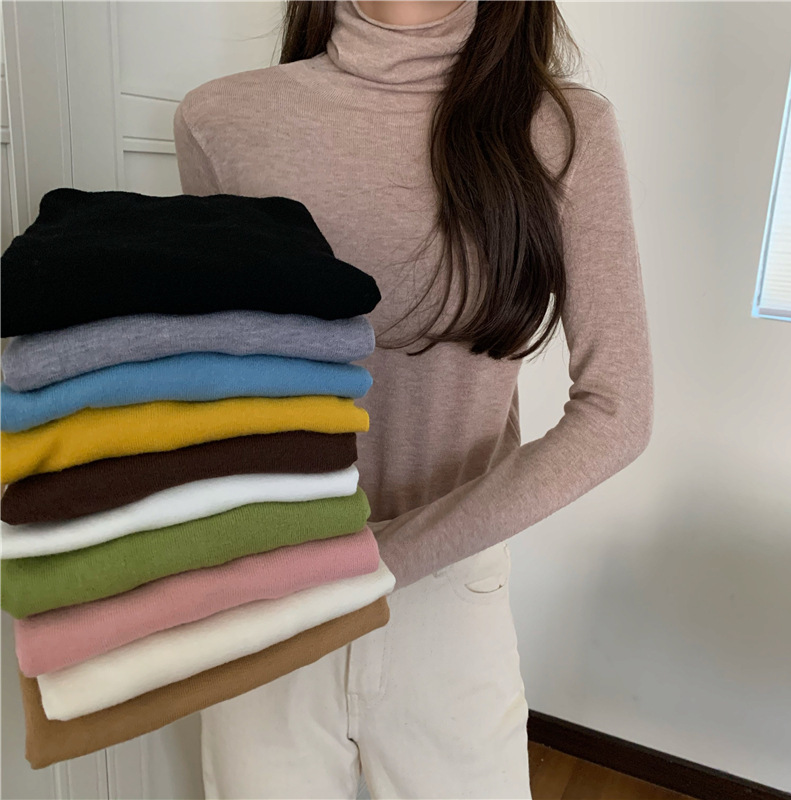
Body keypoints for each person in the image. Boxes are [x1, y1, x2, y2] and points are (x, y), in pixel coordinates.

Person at [173, 1, 654, 797]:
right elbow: (220, 371)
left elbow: (617, 411)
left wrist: (379, 558)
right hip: (264, 593)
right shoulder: (219, 119)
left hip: (447, 600)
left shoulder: (562, 129)